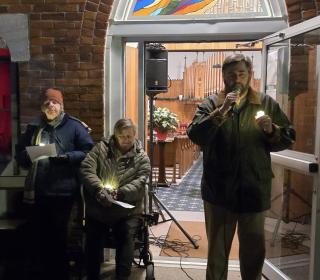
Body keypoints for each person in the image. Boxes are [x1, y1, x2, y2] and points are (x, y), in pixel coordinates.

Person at [187, 54, 296, 280]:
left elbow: (289, 137)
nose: (236, 79)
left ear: (249, 75)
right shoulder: (211, 104)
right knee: (217, 255)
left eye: (241, 74)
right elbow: (195, 134)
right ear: (223, 76)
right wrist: (221, 112)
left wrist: (272, 130)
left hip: (254, 190)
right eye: (231, 74)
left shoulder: (266, 103)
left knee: (254, 253)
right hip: (219, 192)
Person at [15, 88, 94, 280]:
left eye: (54, 103)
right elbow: (20, 154)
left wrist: (67, 158)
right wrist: (29, 155)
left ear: (61, 106)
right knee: (40, 236)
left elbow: (88, 151)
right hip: (38, 190)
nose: (51, 106)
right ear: (42, 107)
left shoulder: (74, 126)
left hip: (63, 190)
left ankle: (60, 274)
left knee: (59, 237)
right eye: (47, 103)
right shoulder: (34, 127)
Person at [80, 118, 151, 280]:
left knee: (126, 235)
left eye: (129, 136)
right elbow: (86, 168)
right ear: (115, 135)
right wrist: (98, 189)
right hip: (99, 206)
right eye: (121, 136)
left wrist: (120, 193)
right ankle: (91, 274)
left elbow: (140, 182)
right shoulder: (100, 149)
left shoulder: (142, 158)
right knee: (93, 236)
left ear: (135, 135)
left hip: (127, 209)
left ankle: (122, 276)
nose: (125, 140)